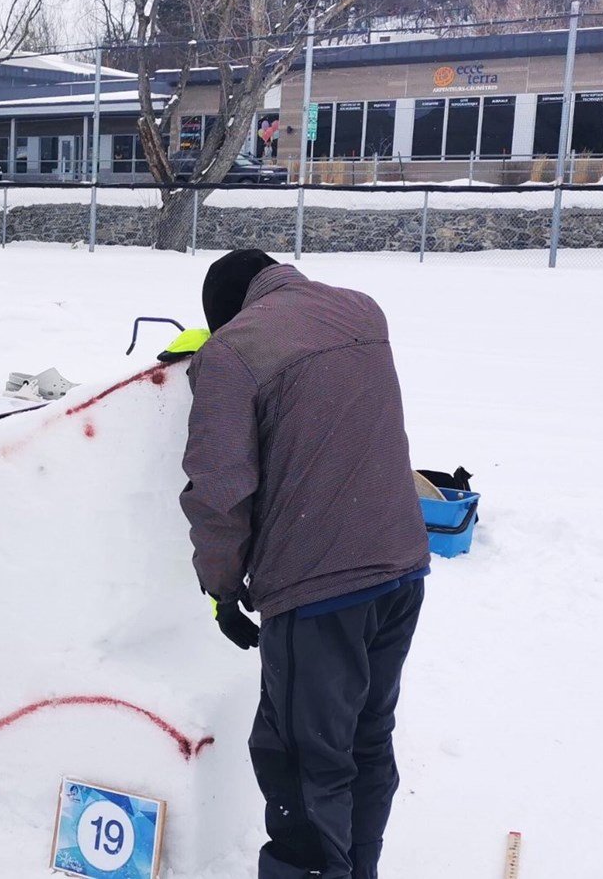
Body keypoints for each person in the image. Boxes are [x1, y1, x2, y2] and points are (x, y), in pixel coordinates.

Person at [179, 249, 431, 879]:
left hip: (319, 587)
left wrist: (221, 588)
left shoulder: (231, 352)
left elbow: (219, 491)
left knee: (302, 760)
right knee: (365, 739)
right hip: (400, 566)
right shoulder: (362, 312)